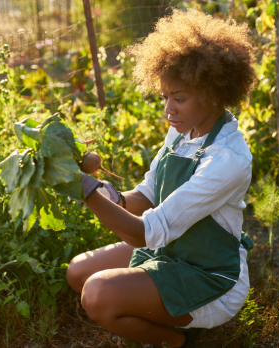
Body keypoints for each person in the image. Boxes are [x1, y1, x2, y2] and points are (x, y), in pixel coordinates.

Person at [66, 9, 257, 348]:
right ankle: (155, 304)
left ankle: (177, 342)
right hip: (171, 250)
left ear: (213, 93)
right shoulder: (185, 130)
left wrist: (87, 191)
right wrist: (109, 193)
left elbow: (144, 233)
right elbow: (145, 196)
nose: (168, 109)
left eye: (179, 98)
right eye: (165, 96)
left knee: (97, 295)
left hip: (207, 273)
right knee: (78, 272)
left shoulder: (227, 159)